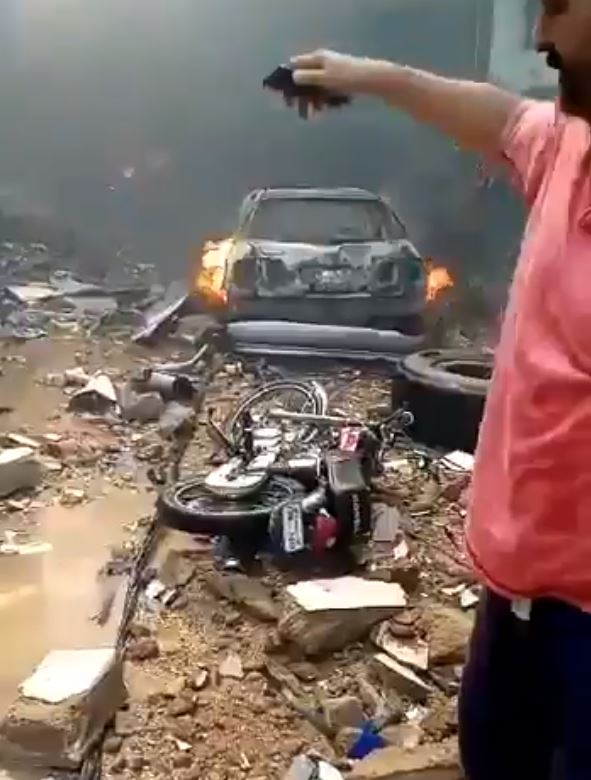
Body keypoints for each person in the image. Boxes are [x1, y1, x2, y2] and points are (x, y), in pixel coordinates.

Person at [292, 2, 591, 778]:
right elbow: (499, 117)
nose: (539, 36)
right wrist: (375, 76)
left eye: (559, 5)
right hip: (518, 590)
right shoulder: (571, 145)